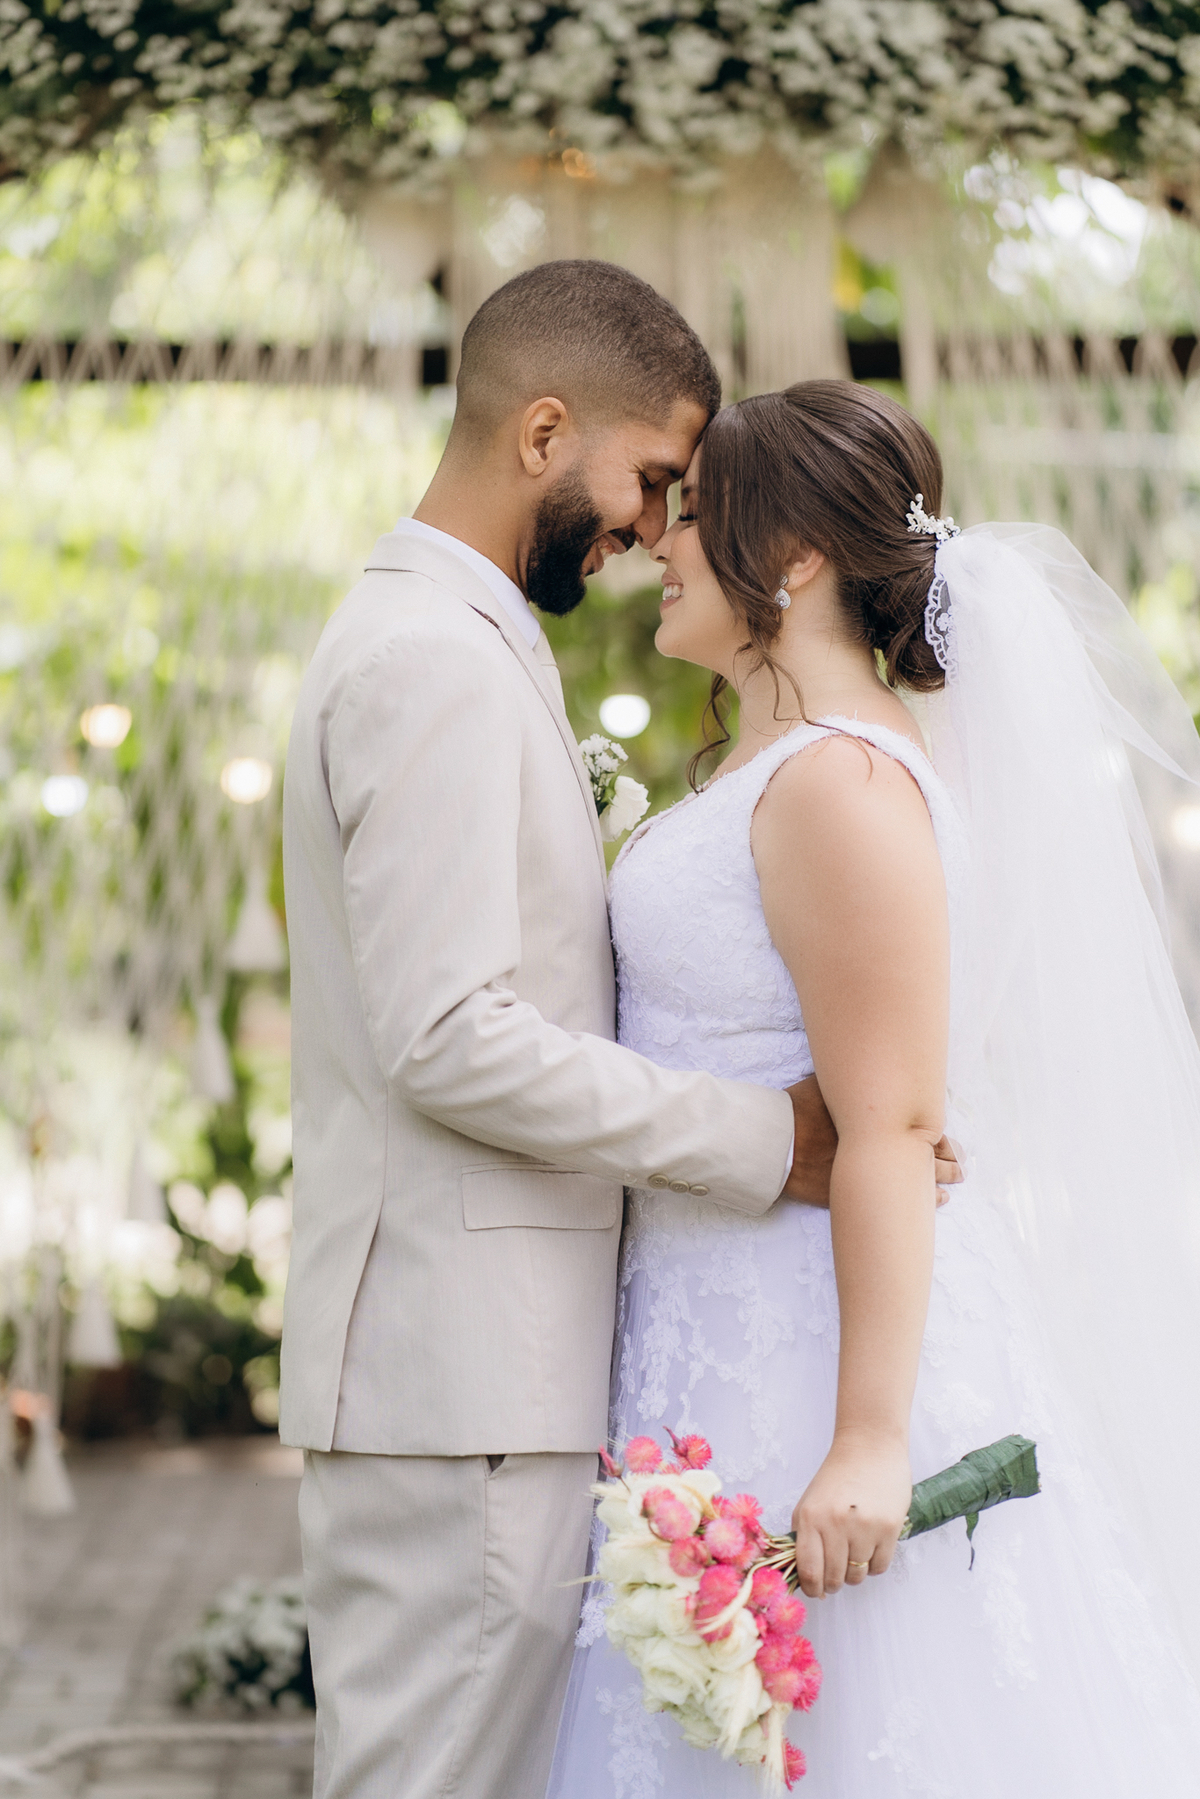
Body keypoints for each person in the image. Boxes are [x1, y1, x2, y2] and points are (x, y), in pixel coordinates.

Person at [279, 266, 962, 1799]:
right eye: (652, 478)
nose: (653, 526)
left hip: (525, 1376)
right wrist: (768, 1136)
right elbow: (449, 1037)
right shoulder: (432, 660)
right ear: (541, 432)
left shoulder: (470, 639)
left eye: (685, 501)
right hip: (459, 1382)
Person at [548, 380, 1200, 1797]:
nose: (659, 542)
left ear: (790, 562)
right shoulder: (770, 769)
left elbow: (896, 1124)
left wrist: (866, 1442)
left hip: (812, 1353)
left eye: (697, 516)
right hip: (709, 1332)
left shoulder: (843, 786)